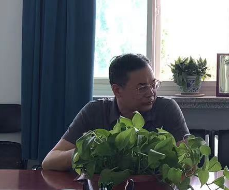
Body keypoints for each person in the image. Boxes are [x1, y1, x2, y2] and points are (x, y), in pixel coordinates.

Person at [42, 53, 189, 171]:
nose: (151, 93)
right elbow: (49, 161)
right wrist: (88, 151)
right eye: (142, 87)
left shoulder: (167, 109)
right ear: (117, 90)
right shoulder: (95, 111)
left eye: (153, 84)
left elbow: (188, 160)